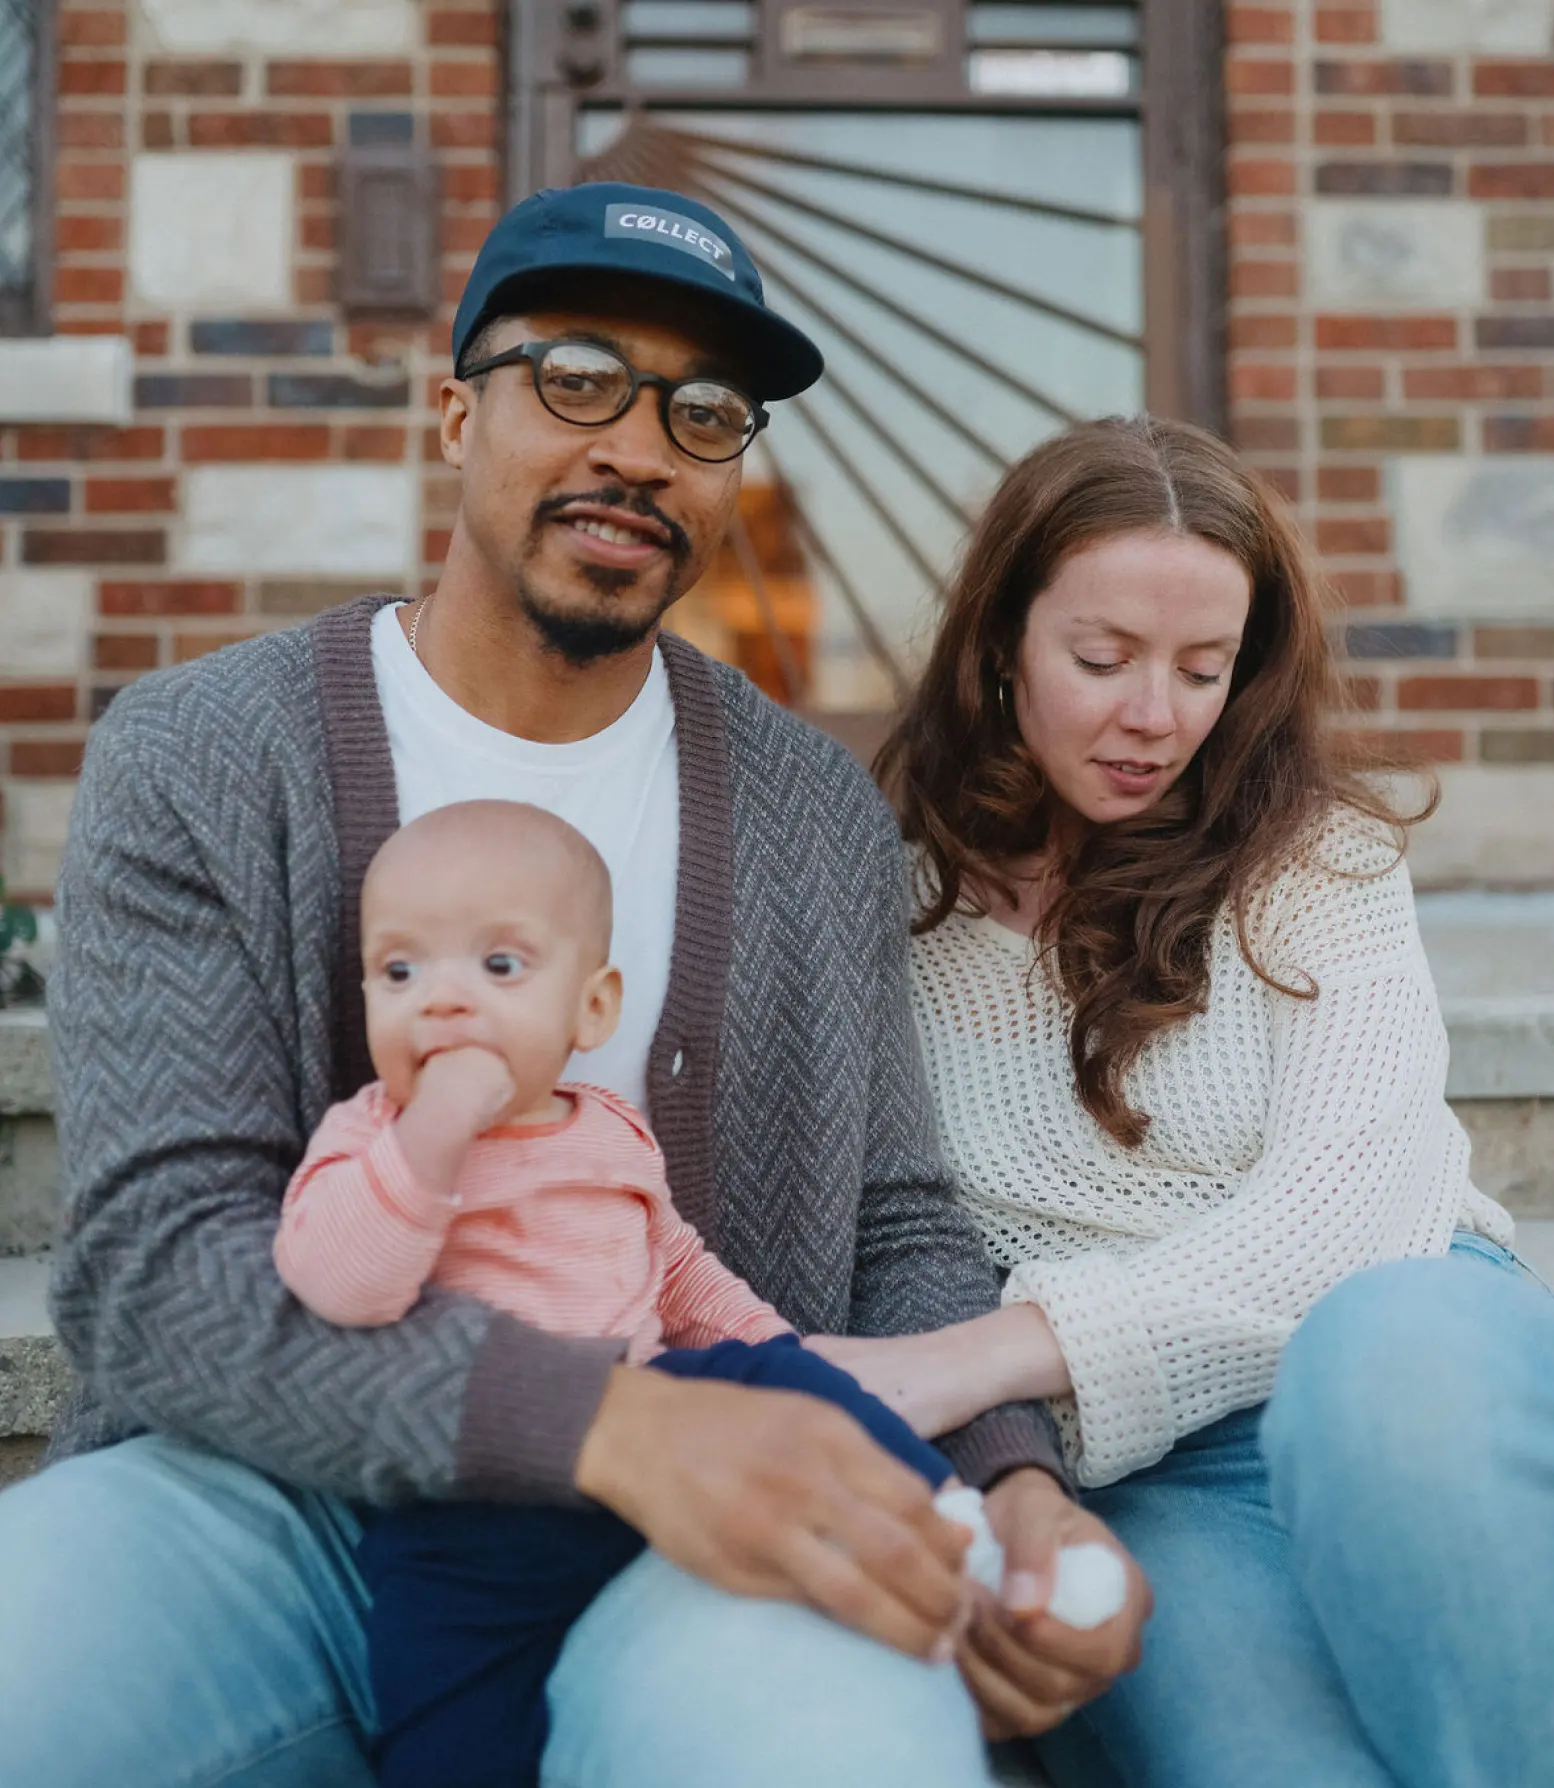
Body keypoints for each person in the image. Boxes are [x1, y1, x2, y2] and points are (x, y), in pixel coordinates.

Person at [0, 183, 1147, 1788]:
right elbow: (154, 1277)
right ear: (455, 411)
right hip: (270, 1501)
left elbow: (894, 1216)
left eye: (703, 412)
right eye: (579, 377)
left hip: (708, 1536)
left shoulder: (810, 807)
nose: (639, 447)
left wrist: (1012, 1473)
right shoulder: (203, 757)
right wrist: (609, 1423)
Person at [817, 415, 1554, 1788]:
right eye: (1100, 661)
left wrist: (985, 1355)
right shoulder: (885, 905)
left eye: (1202, 669)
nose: (1153, 716)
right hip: (1153, 1466)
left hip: (1405, 1381)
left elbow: (1354, 1222)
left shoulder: (1318, 862)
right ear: (1001, 642)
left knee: (1381, 1350)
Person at [277, 798, 959, 1788]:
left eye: (499, 967)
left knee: (781, 1372)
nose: (443, 1001)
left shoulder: (609, 1129)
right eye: (400, 971)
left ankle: (945, 1519)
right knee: (444, 1737)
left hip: (660, 1451)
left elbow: (675, 1266)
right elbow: (339, 1283)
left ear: (591, 1010)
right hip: (463, 1509)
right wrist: (428, 1142)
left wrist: (769, 1343)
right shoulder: (368, 1134)